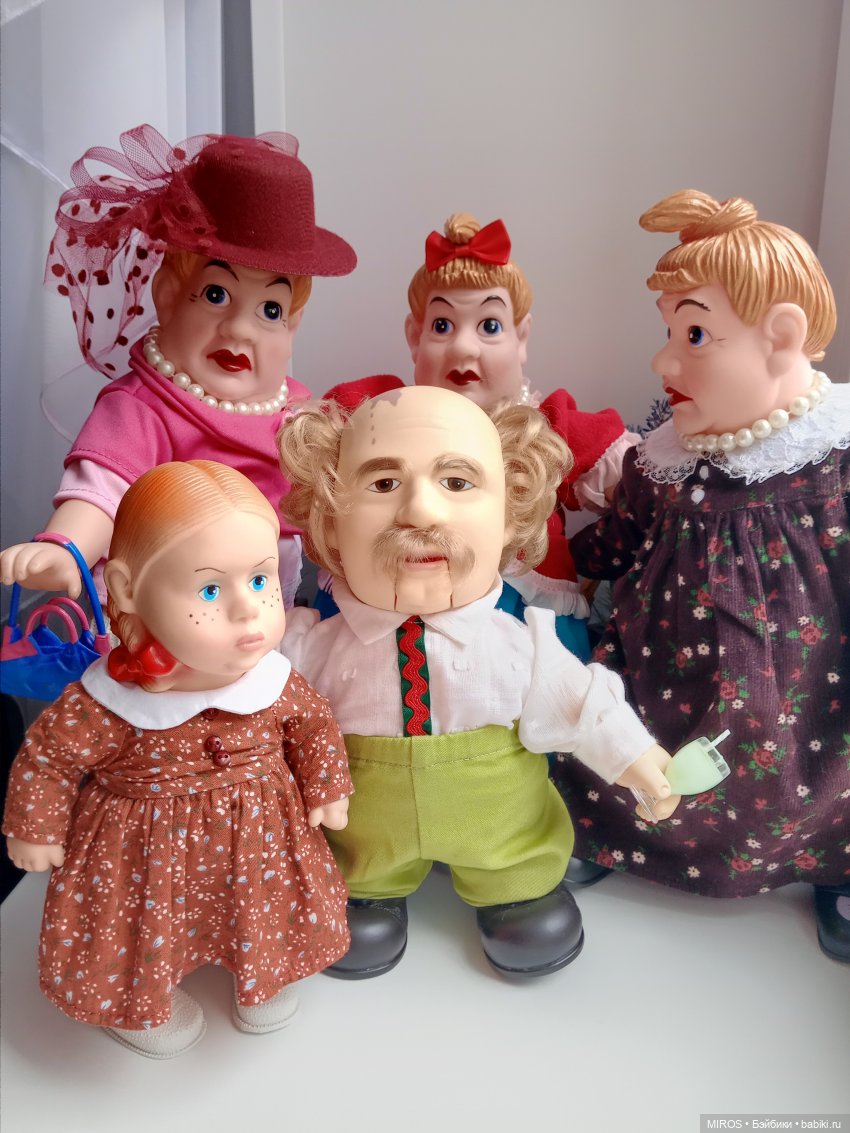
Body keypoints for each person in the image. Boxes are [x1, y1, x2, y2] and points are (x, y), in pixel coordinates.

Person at [278, 386, 674, 980]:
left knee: (517, 861)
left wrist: (639, 760)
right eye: (383, 482)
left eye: (457, 482)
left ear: (509, 517)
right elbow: (261, 713)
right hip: (360, 835)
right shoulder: (308, 649)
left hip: (503, 832)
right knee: (353, 867)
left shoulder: (524, 644)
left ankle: (516, 890)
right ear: (330, 522)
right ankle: (366, 891)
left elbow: (584, 704)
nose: (420, 511)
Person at [553, 189, 850, 962]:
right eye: (667, 332)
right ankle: (611, 830)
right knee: (627, 746)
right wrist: (547, 565)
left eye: (693, 334)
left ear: (781, 337)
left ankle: (832, 863)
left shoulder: (832, 459)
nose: (662, 361)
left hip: (803, 698)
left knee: (823, 773)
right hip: (662, 672)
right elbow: (615, 544)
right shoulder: (664, 460)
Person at [2, 461, 352, 1058]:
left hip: (259, 847)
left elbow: (313, 725)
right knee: (137, 924)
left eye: (261, 580)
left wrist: (326, 786)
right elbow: (50, 757)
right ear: (127, 589)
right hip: (140, 857)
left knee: (264, 906)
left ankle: (263, 973)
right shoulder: (109, 701)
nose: (247, 609)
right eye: (210, 590)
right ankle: (137, 1002)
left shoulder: (271, 681)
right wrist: (36, 826)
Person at [0, 124, 356, 608]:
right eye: (216, 295)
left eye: (270, 310)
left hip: (269, 620)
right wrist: (66, 548)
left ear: (292, 326)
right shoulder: (143, 408)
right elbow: (100, 491)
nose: (240, 329)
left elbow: (329, 505)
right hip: (164, 621)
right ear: (166, 297)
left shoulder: (293, 412)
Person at [322, 213, 638, 658]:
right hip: (401, 599)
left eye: (489, 326)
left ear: (521, 338)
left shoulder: (547, 425)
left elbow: (642, 488)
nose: (464, 347)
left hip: (524, 611)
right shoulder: (384, 413)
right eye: (442, 326)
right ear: (414, 337)